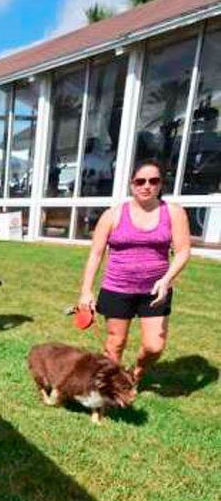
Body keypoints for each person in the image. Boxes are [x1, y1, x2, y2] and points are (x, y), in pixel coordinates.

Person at [77, 159, 191, 381]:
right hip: (117, 288)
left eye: (153, 181)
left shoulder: (174, 213)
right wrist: (86, 291)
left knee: (154, 347)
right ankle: (109, 387)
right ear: (132, 184)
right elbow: (95, 254)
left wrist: (166, 280)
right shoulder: (113, 215)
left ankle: (136, 373)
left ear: (160, 184)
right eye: (140, 181)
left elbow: (183, 251)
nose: (146, 186)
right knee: (115, 343)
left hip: (155, 291)